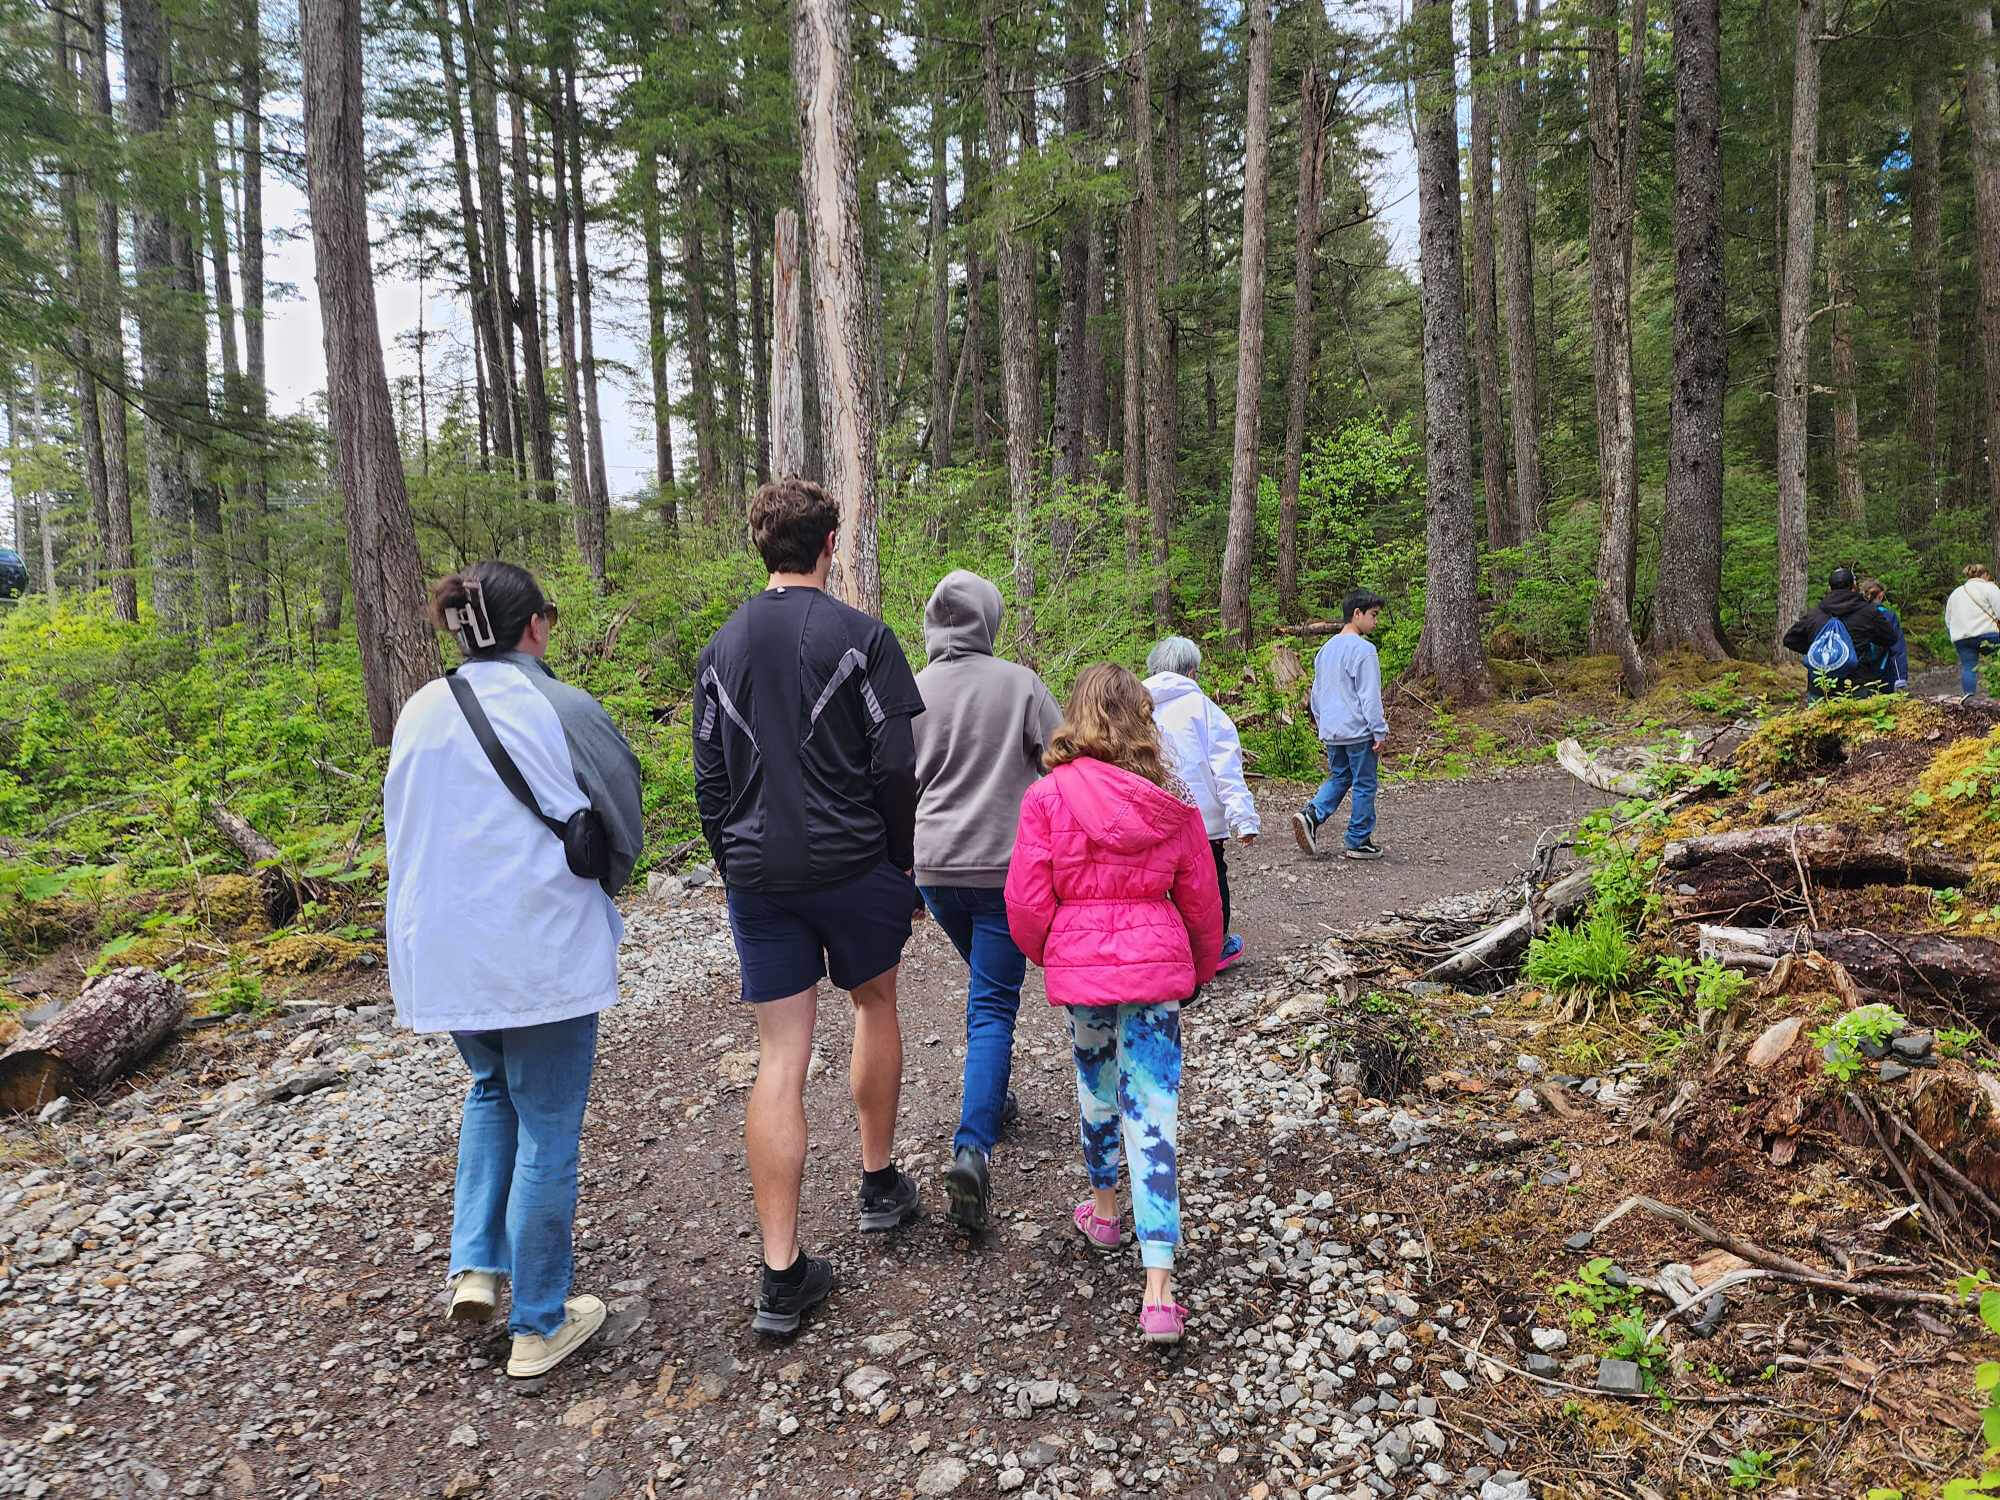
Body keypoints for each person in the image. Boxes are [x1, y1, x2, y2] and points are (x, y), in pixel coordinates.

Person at [384, 562, 644, 1380]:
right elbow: (623, 814)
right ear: (533, 625)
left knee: (491, 1088)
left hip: (448, 954)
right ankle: (537, 1323)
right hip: (539, 953)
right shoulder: (559, 707)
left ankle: (475, 1265)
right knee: (550, 1128)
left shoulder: (421, 710)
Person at [692, 477, 928, 1338]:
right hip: (855, 863)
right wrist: (899, 866)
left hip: (760, 874)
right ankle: (876, 1184)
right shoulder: (863, 638)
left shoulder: (719, 649)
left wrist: (734, 863)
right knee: (875, 1004)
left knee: (780, 1056)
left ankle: (781, 1271)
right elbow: (896, 766)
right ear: (833, 541)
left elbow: (710, 780)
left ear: (762, 545)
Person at [1005, 664, 1223, 1345]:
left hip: (1084, 968)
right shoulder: (1173, 797)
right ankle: (1159, 1289)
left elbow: (1026, 899)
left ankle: (1104, 1212)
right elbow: (1200, 897)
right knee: (1154, 1112)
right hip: (1156, 965)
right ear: (1141, 719)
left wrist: (1053, 951)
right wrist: (1200, 965)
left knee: (1096, 1087)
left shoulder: (1047, 797)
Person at [910, 570, 1061, 1232]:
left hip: (933, 868)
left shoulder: (911, 691)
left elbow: (891, 783)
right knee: (993, 1005)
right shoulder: (1019, 684)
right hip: (1004, 870)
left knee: (985, 985)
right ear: (989, 620)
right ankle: (972, 1147)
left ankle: (993, 1099)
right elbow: (1063, 759)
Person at [1143, 636, 1259, 970]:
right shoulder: (1206, 709)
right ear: (1192, 671)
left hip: (1151, 816)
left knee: (1160, 884)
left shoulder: (1133, 708)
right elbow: (1226, 767)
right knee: (1209, 880)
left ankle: (1167, 949)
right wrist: (1243, 819)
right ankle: (1216, 946)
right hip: (1202, 819)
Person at [1292, 590, 1389, 861]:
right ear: (1357, 614)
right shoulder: (1364, 650)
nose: (1375, 622)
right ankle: (1358, 840)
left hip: (1333, 730)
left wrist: (1323, 724)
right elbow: (1369, 696)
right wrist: (1379, 730)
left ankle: (1310, 815)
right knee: (1364, 783)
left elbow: (1317, 694)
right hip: (1358, 729)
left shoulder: (1326, 650)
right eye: (1373, 615)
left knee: (1340, 777)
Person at [1780, 565, 1899, 702]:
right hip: (1857, 686)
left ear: (1830, 588)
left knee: (1819, 723)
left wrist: (1818, 648)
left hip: (1820, 688)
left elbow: (1789, 639)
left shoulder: (1815, 614)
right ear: (1854, 587)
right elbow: (1890, 638)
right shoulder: (1868, 612)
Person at [1946, 563, 2000, 698]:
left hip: (1962, 638)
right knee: (1997, 661)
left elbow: (1948, 620)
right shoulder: (1990, 588)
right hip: (1988, 634)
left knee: (1969, 667)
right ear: (1985, 575)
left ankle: (1969, 700)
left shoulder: (1955, 593)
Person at [1857, 578, 1910, 693]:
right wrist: (1900, 677)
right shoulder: (1888, 616)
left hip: (1860, 673)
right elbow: (1897, 649)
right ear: (1881, 595)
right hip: (1885, 671)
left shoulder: (1857, 616)